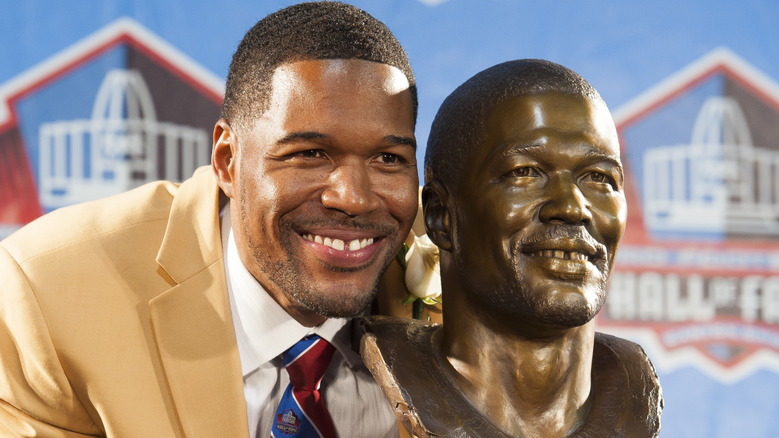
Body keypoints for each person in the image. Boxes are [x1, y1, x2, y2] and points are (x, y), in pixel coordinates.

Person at [0, 2, 419, 437]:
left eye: (389, 158)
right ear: (227, 161)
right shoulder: (48, 295)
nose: (353, 198)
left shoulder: (465, 267)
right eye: (309, 154)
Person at [361, 59, 663, 437]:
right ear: (441, 217)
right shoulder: (356, 402)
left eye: (599, 177)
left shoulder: (633, 398)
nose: (572, 207)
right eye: (525, 173)